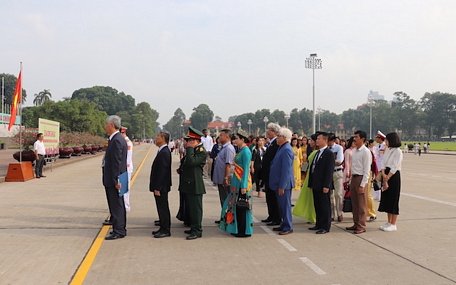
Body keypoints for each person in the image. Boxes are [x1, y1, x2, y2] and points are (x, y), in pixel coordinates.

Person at [219, 130, 254, 238]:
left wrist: (243, 186)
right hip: (236, 182)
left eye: (236, 139)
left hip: (242, 183)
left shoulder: (246, 152)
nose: (234, 141)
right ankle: (236, 227)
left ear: (242, 139)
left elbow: (246, 170)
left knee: (242, 207)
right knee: (234, 206)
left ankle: (243, 230)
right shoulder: (240, 150)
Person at [102, 115, 128, 240]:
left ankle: (119, 230)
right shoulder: (117, 138)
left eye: (106, 124)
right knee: (117, 204)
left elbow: (117, 162)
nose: (105, 127)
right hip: (117, 177)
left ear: (111, 125)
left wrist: (117, 180)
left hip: (116, 179)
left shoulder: (117, 140)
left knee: (117, 204)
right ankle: (119, 227)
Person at [181, 127, 207, 240]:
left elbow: (191, 162)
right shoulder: (194, 150)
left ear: (195, 140)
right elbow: (186, 163)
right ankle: (193, 227)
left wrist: (190, 149)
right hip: (189, 183)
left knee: (196, 209)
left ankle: (197, 230)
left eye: (189, 140)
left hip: (196, 184)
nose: (187, 143)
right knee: (191, 208)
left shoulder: (201, 152)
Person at [307, 132, 335, 234]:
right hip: (316, 184)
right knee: (317, 205)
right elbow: (313, 169)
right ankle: (318, 224)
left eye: (319, 139)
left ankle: (325, 226)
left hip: (323, 185)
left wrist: (326, 185)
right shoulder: (318, 152)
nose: (317, 140)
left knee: (324, 206)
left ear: (325, 140)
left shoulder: (329, 153)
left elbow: (329, 171)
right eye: (317, 139)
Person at [269, 127, 295, 235]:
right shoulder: (281, 148)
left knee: (285, 206)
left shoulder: (287, 150)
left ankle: (288, 226)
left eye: (279, 136)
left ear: (285, 138)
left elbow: (286, 170)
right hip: (278, 183)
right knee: (281, 206)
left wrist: (282, 186)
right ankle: (284, 224)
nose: (277, 139)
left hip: (284, 184)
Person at [346, 130, 372, 235]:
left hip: (361, 178)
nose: (354, 139)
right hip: (354, 178)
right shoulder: (355, 151)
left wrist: (363, 184)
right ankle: (356, 223)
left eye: (356, 137)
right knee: (355, 204)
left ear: (362, 139)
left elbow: (367, 170)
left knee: (361, 204)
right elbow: (353, 167)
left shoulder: (366, 152)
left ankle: (361, 226)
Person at [378, 132, 403, 232]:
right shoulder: (388, 150)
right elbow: (383, 162)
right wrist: (383, 174)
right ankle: (388, 222)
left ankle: (393, 223)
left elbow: (395, 166)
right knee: (387, 198)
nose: (385, 142)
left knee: (393, 199)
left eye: (387, 140)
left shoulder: (398, 152)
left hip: (393, 176)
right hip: (386, 174)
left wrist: (387, 177)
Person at [149, 132, 172, 238]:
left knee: (163, 208)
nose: (155, 138)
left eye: (157, 137)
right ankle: (162, 227)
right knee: (161, 207)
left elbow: (162, 172)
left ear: (163, 139)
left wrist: (157, 187)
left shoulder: (164, 152)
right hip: (160, 185)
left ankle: (165, 230)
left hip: (161, 186)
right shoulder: (162, 151)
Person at [293, 133, 318, 224]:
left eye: (311, 140)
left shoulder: (317, 152)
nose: (309, 142)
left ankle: (314, 216)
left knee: (312, 198)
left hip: (312, 176)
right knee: (308, 198)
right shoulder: (310, 150)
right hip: (308, 174)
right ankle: (311, 216)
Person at [212, 129, 236, 223]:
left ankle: (229, 219)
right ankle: (224, 217)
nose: (219, 137)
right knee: (223, 199)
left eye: (221, 135)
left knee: (227, 199)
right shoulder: (223, 148)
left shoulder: (229, 148)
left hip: (225, 179)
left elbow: (228, 165)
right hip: (221, 178)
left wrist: (226, 177)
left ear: (227, 137)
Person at [261, 123, 281, 226]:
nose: (267, 131)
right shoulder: (270, 143)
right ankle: (271, 215)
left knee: (273, 197)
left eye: (269, 130)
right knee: (269, 196)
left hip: (272, 175)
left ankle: (276, 218)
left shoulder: (276, 144)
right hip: (267, 175)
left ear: (274, 132)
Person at [328, 133, 345, 222]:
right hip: (328, 173)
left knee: (338, 194)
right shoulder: (326, 148)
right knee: (330, 195)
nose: (328, 143)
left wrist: (329, 161)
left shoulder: (339, 148)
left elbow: (339, 161)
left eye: (330, 141)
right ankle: (331, 214)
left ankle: (339, 213)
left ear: (333, 141)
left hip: (337, 172)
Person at [176, 140, 190, 227]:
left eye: (186, 141)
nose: (184, 143)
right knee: (184, 201)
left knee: (187, 202)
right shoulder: (186, 153)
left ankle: (188, 219)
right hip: (183, 181)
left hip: (188, 182)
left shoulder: (191, 153)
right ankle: (184, 217)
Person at [120, 127, 133, 212]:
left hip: (126, 168)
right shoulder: (126, 142)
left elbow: (126, 157)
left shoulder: (127, 143)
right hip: (126, 167)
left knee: (124, 189)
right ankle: (125, 205)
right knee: (123, 188)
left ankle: (126, 205)